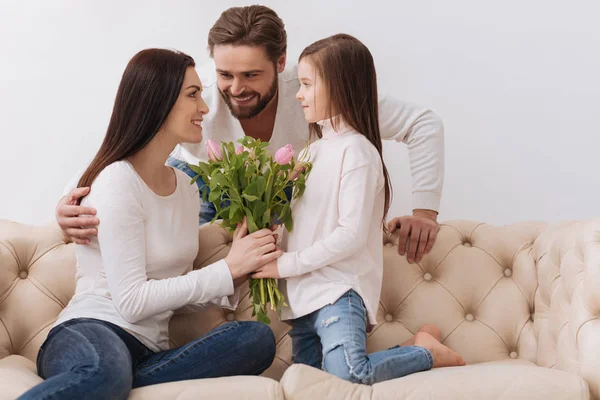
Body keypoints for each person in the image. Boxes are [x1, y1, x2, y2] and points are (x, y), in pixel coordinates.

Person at [56, 5, 443, 264]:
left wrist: (425, 212)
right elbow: (129, 142)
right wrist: (73, 198)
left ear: (280, 62)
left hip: (282, 193)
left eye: (251, 75)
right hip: (203, 186)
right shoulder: (198, 92)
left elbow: (422, 124)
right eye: (226, 74)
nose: (236, 88)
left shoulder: (315, 89)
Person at [18, 49, 279, 400]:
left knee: (255, 339)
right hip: (93, 330)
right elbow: (131, 302)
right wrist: (223, 269)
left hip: (146, 351)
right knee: (102, 372)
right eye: (193, 95)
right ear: (157, 100)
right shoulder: (116, 180)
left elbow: (172, 292)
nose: (204, 108)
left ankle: (124, 381)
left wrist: (236, 274)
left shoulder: (187, 188)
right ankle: (112, 379)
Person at [251, 34, 465, 385]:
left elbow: (349, 235)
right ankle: (414, 345)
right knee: (311, 384)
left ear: (340, 86)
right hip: (302, 299)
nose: (298, 94)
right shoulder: (311, 152)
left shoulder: (358, 151)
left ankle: (426, 353)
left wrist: (283, 265)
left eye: (306, 85)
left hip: (337, 292)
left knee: (348, 374)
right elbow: (303, 225)